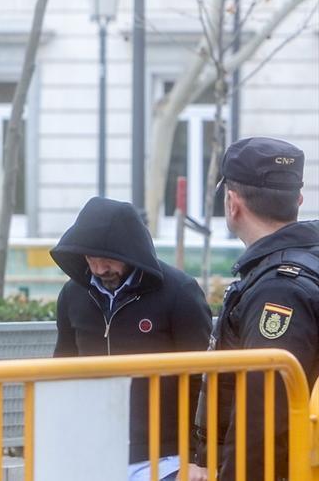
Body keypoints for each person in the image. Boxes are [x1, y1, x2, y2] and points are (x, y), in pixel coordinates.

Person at [51, 196, 212, 481]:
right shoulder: (72, 295)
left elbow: (204, 382)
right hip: (93, 451)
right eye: (90, 257)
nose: (99, 269)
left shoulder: (180, 292)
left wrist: (200, 457)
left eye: (108, 258)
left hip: (166, 456)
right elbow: (63, 373)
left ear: (131, 251)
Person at [185, 137, 318, 481]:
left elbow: (262, 418)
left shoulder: (279, 287)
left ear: (232, 203)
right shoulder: (291, 270)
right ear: (298, 200)